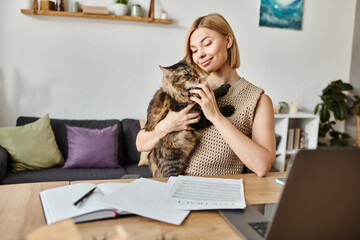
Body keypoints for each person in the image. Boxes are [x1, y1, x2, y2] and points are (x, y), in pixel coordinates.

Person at [136, 13, 276, 177]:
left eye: (207, 44)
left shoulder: (258, 100)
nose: (200, 54)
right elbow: (140, 143)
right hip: (176, 189)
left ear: (228, 41)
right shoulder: (185, 91)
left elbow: (262, 165)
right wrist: (167, 126)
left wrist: (216, 116)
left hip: (222, 195)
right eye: (194, 50)